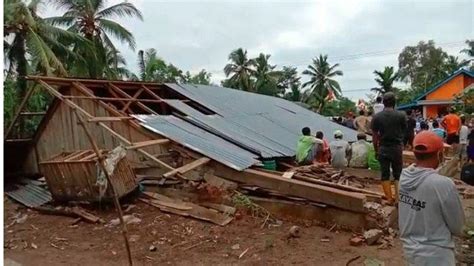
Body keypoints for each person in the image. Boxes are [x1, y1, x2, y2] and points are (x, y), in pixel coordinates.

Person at [399, 131, 465, 266]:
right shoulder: (443, 184)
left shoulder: (404, 177)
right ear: (440, 154)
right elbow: (458, 227)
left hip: (410, 251)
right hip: (437, 255)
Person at [371, 92, 407, 204]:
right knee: (398, 174)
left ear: (383, 103)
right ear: (394, 103)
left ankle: (389, 199)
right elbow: (403, 132)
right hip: (396, 148)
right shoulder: (401, 115)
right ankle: (398, 199)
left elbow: (375, 136)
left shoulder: (377, 117)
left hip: (383, 148)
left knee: (385, 174)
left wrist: (376, 150)